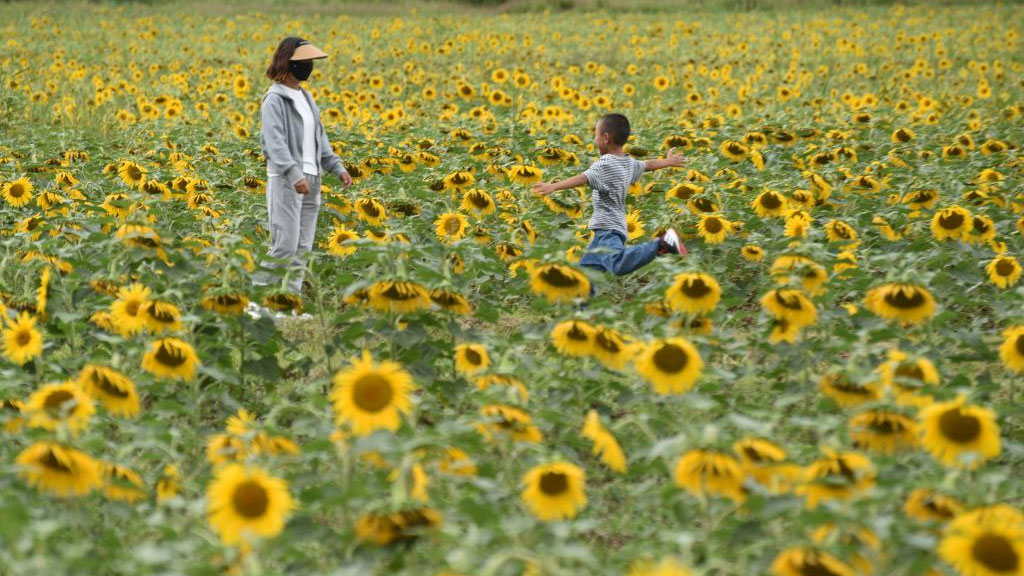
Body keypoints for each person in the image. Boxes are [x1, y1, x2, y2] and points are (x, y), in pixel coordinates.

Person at [532, 113, 687, 294]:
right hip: (610, 228)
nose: (594, 140)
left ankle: (662, 244)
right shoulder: (628, 162)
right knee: (585, 277)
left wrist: (553, 186)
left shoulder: (605, 163)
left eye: (596, 135)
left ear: (605, 138)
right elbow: (648, 164)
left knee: (617, 263)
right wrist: (668, 161)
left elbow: (584, 178)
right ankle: (579, 313)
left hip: (608, 228)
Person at [251, 36, 352, 305]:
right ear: (288, 62)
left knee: (302, 248)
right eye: (302, 61)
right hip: (287, 180)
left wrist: (337, 167)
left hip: (313, 178)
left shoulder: (306, 97)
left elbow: (319, 138)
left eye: (309, 61)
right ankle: (254, 301)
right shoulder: (274, 99)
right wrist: (294, 175)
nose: (307, 66)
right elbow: (274, 142)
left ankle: (287, 304)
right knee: (284, 246)